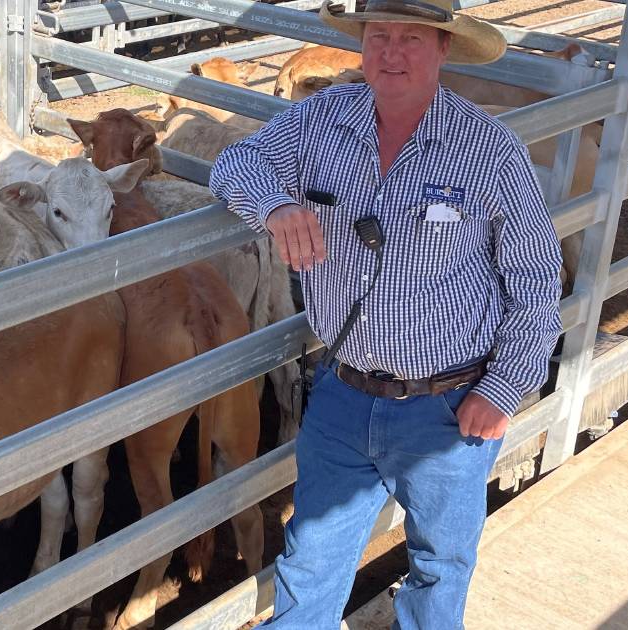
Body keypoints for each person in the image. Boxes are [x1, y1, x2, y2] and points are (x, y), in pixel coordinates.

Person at [208, 1, 562, 627]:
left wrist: (504, 390)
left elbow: (535, 279)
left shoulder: (490, 152)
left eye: (412, 39)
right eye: (380, 37)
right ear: (363, 45)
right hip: (343, 393)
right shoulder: (321, 119)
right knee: (311, 555)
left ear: (444, 50)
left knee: (440, 563)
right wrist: (275, 208)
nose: (392, 53)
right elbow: (235, 162)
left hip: (448, 405)